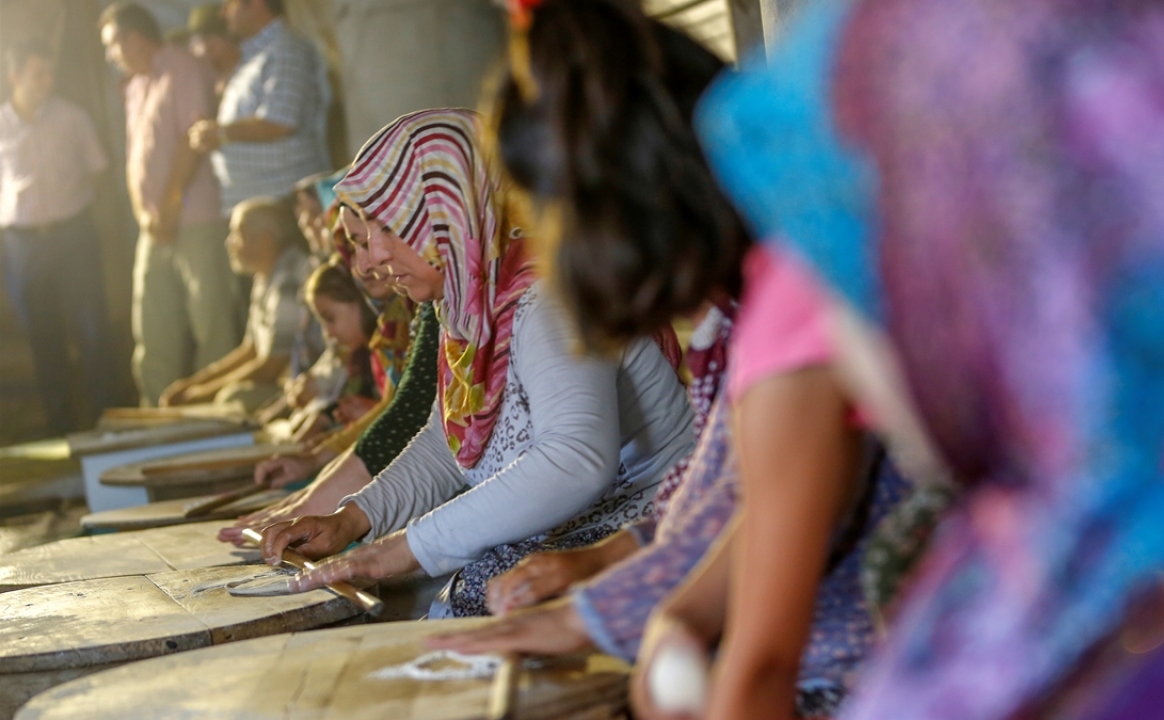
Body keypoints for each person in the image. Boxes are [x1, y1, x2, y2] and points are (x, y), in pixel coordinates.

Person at [691, 0, 1164, 719]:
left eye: (858, 292)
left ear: (987, 282)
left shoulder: (1138, 634)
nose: (841, 352)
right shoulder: (1040, 553)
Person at [423, 3, 920, 716]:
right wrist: (649, 617)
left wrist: (639, 623)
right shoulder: (755, 302)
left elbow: (763, 666)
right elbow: (747, 511)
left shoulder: (795, 308)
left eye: (552, 216)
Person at [258, 108, 697, 618]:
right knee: (466, 588)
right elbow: (452, 445)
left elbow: (576, 460)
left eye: (386, 228)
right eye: (361, 239)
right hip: (588, 519)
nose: (367, 261)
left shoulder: (550, 295)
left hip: (661, 514)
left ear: (447, 214)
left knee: (481, 591)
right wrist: (354, 519)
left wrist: (399, 550)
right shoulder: (472, 304)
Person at [99, 2, 248, 407]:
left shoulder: (182, 67)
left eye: (113, 45)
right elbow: (135, 160)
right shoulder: (135, 86)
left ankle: (216, 415)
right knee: (152, 323)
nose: (111, 55)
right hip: (154, 226)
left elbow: (191, 142)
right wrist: (147, 215)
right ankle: (156, 414)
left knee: (211, 321)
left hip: (196, 218)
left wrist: (169, 205)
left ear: (134, 38)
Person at [0, 40, 126, 434]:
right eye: (38, 73)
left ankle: (110, 418)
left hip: (73, 234)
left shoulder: (73, 117)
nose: (46, 81)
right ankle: (61, 426)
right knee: (42, 334)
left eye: (50, 73)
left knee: (92, 328)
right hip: (23, 244)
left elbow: (98, 169)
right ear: (15, 77)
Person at [160, 197, 310, 411]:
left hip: (297, 387)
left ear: (264, 240)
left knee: (232, 398)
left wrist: (201, 394)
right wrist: (194, 384)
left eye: (237, 233)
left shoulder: (288, 280)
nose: (229, 243)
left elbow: (272, 366)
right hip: (283, 385)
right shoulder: (265, 276)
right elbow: (251, 349)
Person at [188, 0, 327, 216]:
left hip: (284, 201)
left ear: (256, 4)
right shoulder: (255, 54)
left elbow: (280, 122)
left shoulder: (285, 49)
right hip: (262, 202)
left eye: (229, 5)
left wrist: (219, 133)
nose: (224, 13)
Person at [270, 259, 378, 442]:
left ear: (359, 301)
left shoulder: (383, 350)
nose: (327, 333)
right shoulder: (356, 356)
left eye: (330, 318)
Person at [186, 3, 239, 98]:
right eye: (196, 40)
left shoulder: (250, 71)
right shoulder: (207, 81)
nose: (201, 47)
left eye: (207, 37)